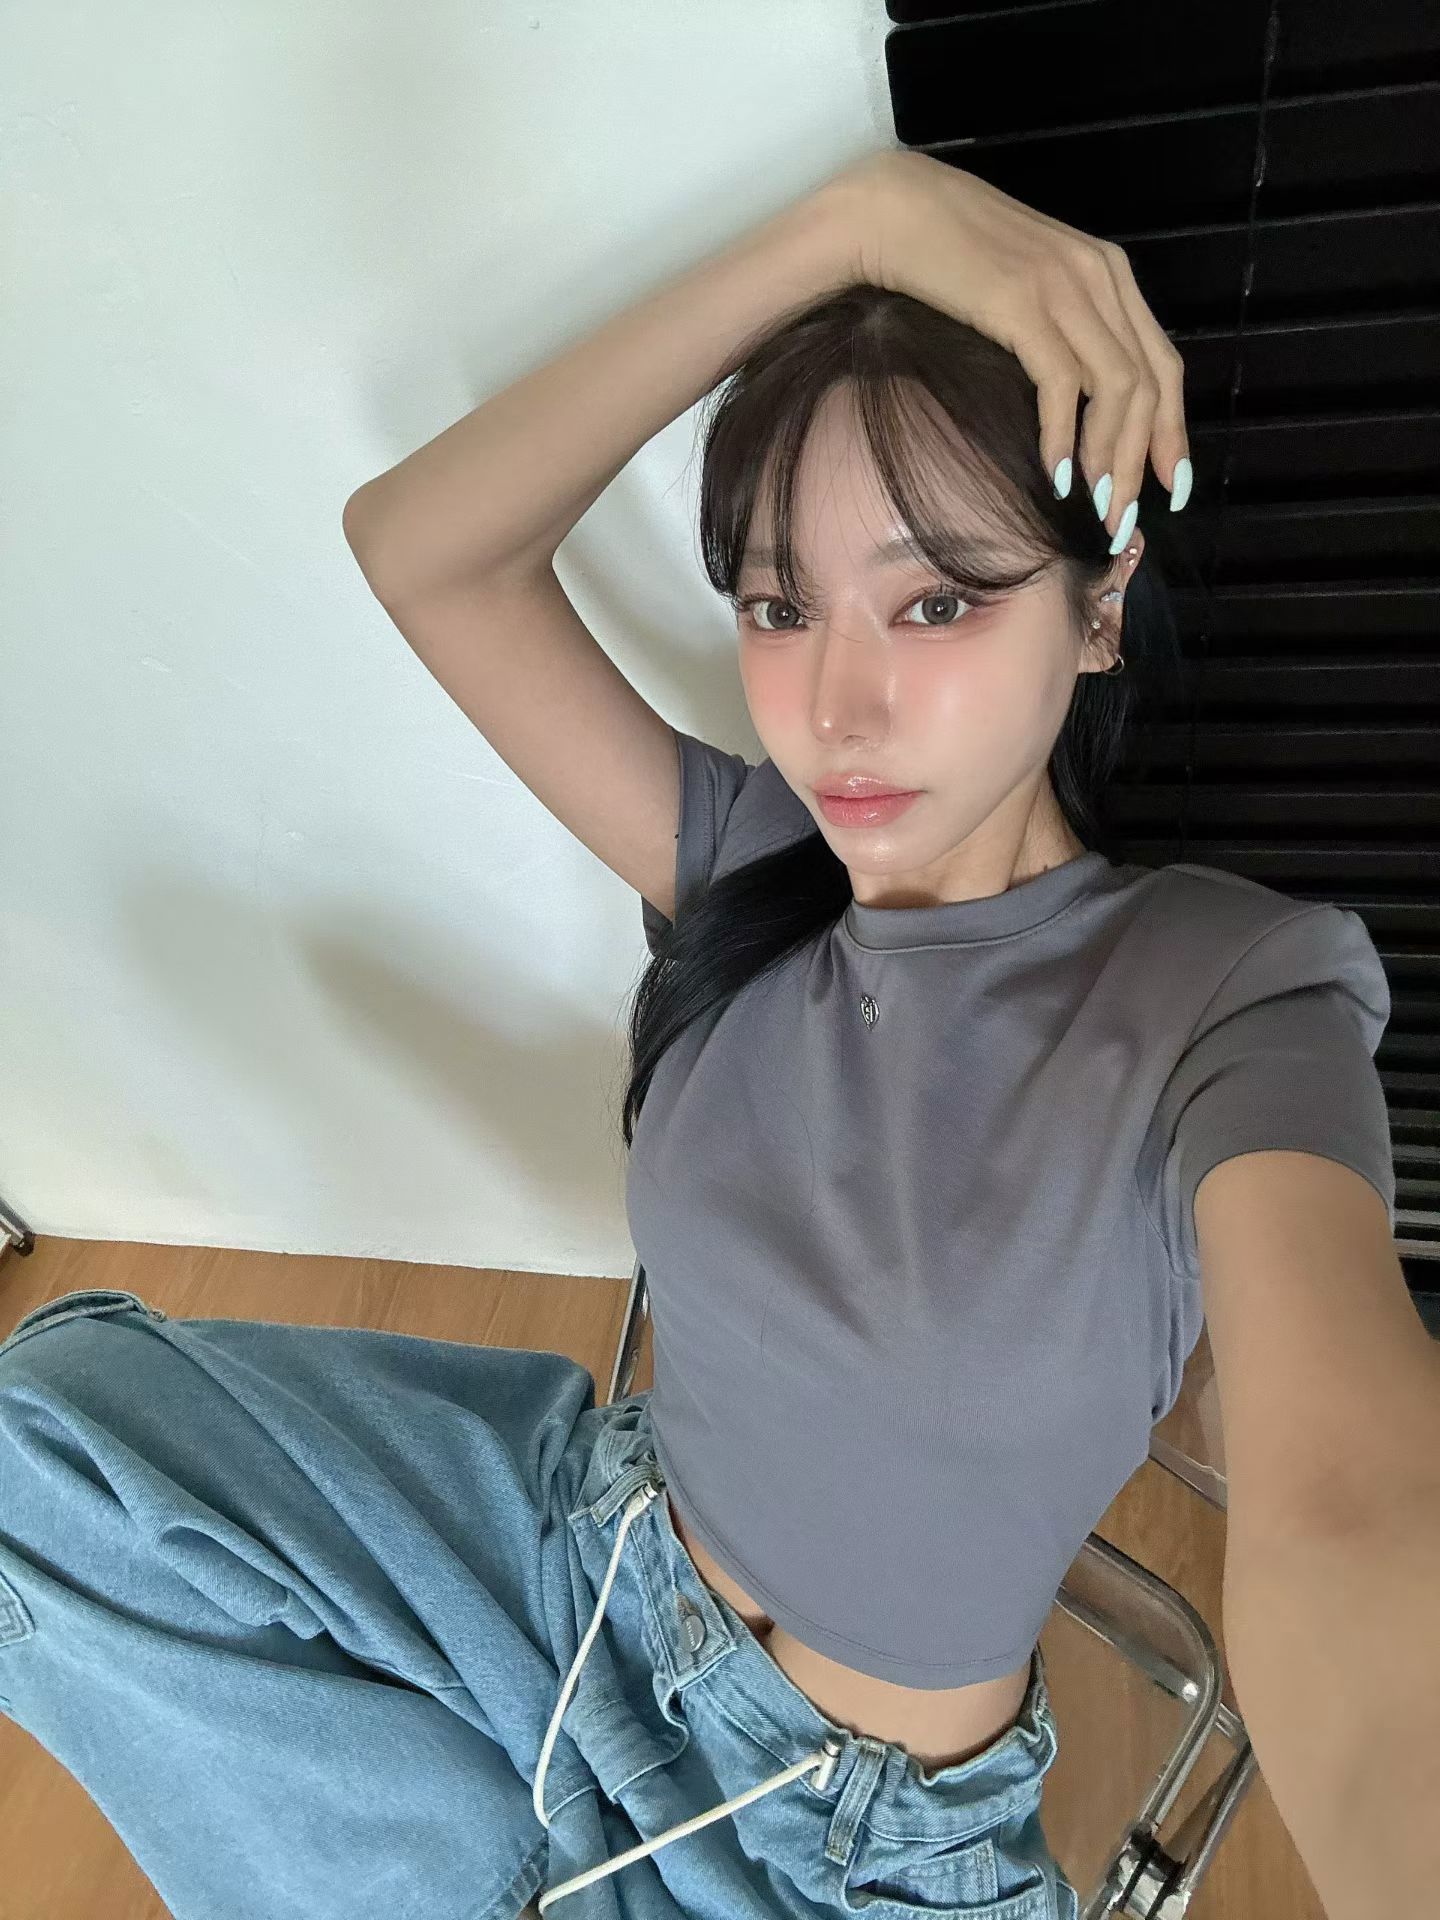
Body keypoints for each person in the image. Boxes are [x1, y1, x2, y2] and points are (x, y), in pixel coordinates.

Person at [2, 153, 1390, 1918]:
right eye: (778, 604)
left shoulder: (1235, 990)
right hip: (575, 1575)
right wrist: (856, 224)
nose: (839, 706)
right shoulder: (750, 863)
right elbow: (421, 548)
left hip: (850, 1849)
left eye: (939, 600)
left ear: (1097, 605)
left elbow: (1355, 1516)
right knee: (38, 1452)